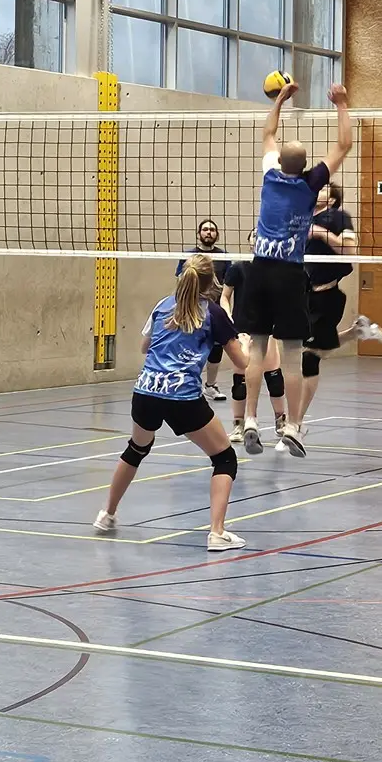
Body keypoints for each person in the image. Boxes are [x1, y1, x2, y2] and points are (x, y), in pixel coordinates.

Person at [95, 255, 249, 551]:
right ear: (211, 282)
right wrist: (245, 344)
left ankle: (106, 514)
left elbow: (144, 347)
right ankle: (217, 532)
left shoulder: (163, 304)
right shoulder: (214, 314)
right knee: (224, 458)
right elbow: (241, 364)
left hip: (145, 391)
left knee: (136, 448)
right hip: (181, 397)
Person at [236, 80, 354, 458]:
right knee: (290, 355)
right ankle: (290, 426)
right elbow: (344, 146)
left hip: (258, 271)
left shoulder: (269, 175)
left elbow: (268, 132)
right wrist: (341, 104)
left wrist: (281, 99)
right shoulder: (311, 184)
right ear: (305, 168)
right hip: (289, 274)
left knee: (256, 351)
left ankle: (250, 419)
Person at [295, 182, 382, 447]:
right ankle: (357, 331)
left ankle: (297, 424)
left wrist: (322, 234)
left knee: (310, 359)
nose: (317, 190)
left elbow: (350, 250)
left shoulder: (338, 216)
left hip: (327, 296)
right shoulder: (303, 217)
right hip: (306, 295)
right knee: (315, 350)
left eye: (323, 188)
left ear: (333, 198)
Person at [222, 232, 289, 447]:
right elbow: (225, 296)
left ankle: (281, 421)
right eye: (254, 236)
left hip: (266, 330)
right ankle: (239, 426)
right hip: (242, 331)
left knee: (274, 378)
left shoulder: (276, 269)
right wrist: (228, 318)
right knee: (240, 381)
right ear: (249, 242)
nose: (257, 240)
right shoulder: (238, 268)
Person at [176, 219, 229, 403]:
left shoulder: (223, 256)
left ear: (217, 234)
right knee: (189, 345)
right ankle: (186, 384)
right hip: (192, 308)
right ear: (199, 234)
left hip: (214, 310)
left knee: (216, 348)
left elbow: (229, 286)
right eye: (205, 229)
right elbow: (180, 281)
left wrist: (228, 310)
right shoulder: (189, 255)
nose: (208, 232)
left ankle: (210, 386)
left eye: (212, 230)